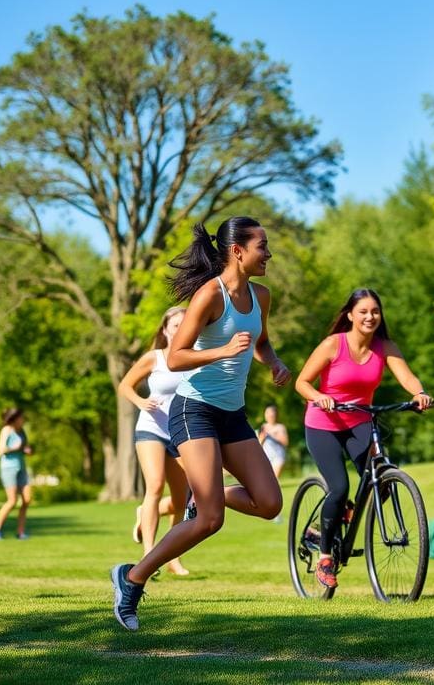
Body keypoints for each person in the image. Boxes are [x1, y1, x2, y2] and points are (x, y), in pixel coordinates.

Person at [110, 217, 290, 630]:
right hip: (194, 410)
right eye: (262, 246)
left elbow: (260, 341)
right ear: (237, 251)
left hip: (232, 413)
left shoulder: (261, 296)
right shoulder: (210, 295)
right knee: (210, 520)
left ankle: (210, 493)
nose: (269, 254)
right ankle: (132, 578)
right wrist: (222, 351)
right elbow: (175, 357)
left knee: (270, 503)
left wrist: (274, 363)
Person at [294, 288, 433, 590]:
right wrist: (319, 397)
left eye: (375, 311)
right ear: (350, 316)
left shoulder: (385, 347)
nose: (370, 317)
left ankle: (346, 512)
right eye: (363, 312)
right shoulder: (333, 344)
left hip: (360, 421)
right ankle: (326, 555)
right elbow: (301, 382)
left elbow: (407, 376)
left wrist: (418, 393)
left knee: (380, 483)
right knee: (340, 487)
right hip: (324, 424)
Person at [119, 306, 191, 577]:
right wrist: (141, 402)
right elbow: (125, 385)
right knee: (156, 485)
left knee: (183, 500)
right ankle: (149, 554)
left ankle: (173, 557)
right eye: (175, 326)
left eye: (185, 326)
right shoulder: (155, 358)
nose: (180, 330)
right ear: (165, 331)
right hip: (151, 429)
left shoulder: (196, 359)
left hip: (180, 433)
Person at [0, 407, 33, 540]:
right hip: (8, 468)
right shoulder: (7, 430)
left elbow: (24, 446)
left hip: (21, 467)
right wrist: (18, 448)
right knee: (12, 501)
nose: (23, 420)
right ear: (14, 418)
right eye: (21, 417)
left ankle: (20, 532)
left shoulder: (22, 431)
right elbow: (1, 450)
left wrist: (27, 450)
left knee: (27, 499)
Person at [258, 403, 288, 479]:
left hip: (278, 457)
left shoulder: (280, 427)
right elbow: (259, 444)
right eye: (267, 413)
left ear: (275, 415)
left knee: (274, 479)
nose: (270, 415)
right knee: (266, 480)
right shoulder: (263, 427)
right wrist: (263, 437)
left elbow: (285, 442)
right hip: (266, 457)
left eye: (272, 413)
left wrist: (273, 434)